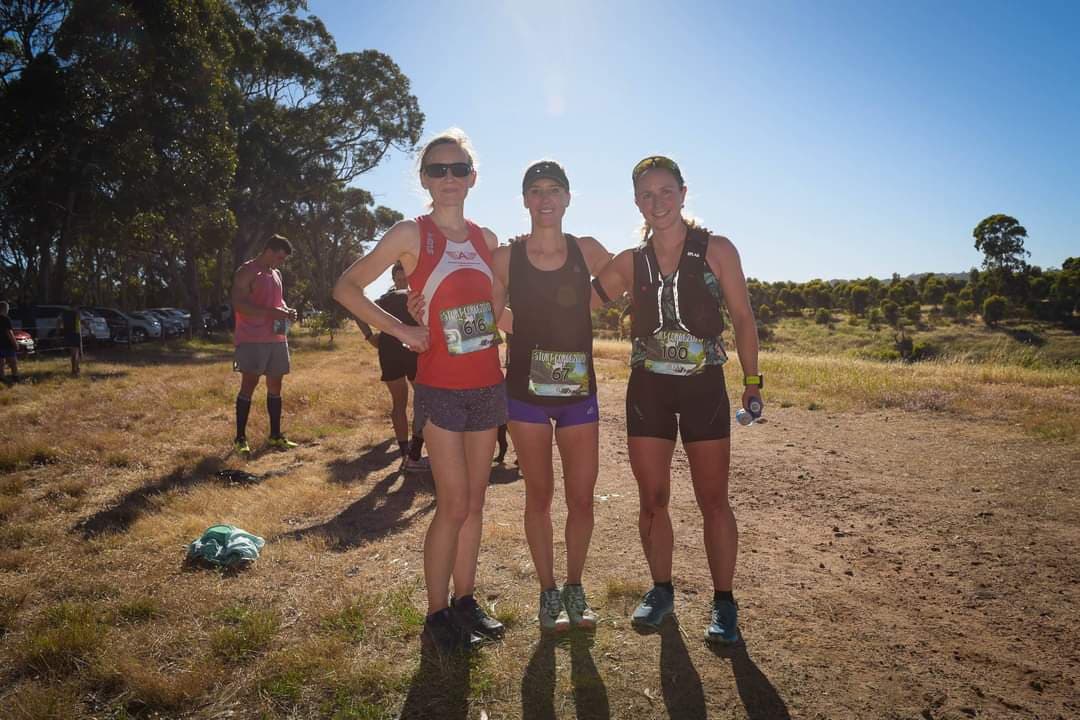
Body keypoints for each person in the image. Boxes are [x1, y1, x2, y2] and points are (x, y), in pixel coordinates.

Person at [333, 129, 507, 654]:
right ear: (425, 179)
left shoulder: (488, 240)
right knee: (452, 504)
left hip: (488, 385)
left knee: (476, 503)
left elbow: (497, 313)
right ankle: (436, 613)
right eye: (438, 170)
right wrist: (402, 330)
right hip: (441, 389)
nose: (449, 178)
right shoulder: (411, 233)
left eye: (458, 169)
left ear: (473, 177)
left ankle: (466, 600)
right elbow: (346, 286)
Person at [592, 155, 762, 645]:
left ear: (684, 193)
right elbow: (577, 300)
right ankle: (661, 590)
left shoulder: (717, 251)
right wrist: (529, 267)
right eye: (647, 194)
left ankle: (724, 602)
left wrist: (753, 382)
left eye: (666, 191)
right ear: (636, 203)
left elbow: (744, 318)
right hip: (649, 389)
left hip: (704, 385)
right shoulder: (630, 262)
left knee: (713, 499)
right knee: (653, 498)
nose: (657, 201)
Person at [492, 161, 612, 632]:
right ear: (525, 201)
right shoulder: (507, 257)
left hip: (578, 393)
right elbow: (486, 306)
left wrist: (585, 306)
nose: (545, 199)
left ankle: (575, 587)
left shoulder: (587, 249)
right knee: (539, 496)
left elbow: (624, 278)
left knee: (581, 498)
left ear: (567, 198)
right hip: (525, 392)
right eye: (536, 191)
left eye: (554, 190)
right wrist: (526, 327)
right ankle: (547, 593)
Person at [231, 234, 300, 454]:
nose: (281, 262)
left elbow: (277, 301)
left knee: (276, 387)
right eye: (279, 257)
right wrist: (271, 312)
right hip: (252, 339)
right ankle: (240, 439)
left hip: (277, 338)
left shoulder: (276, 273)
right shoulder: (247, 271)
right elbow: (239, 305)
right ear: (268, 250)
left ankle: (275, 436)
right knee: (249, 386)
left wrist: (287, 311)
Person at [356, 261, 428, 471]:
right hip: (408, 351)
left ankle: (408, 452)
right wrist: (369, 336)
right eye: (399, 279)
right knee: (419, 401)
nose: (402, 282)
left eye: (404, 279)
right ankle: (411, 452)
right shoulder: (416, 297)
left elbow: (359, 310)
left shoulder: (385, 300)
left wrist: (370, 336)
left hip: (393, 351)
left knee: (405, 403)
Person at [0, 302, 20, 383]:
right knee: (13, 362)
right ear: (5, 309)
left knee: (1, 362)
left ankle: (2, 377)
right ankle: (15, 377)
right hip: (6, 344)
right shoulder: (6, 319)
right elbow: (9, 333)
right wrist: (15, 344)